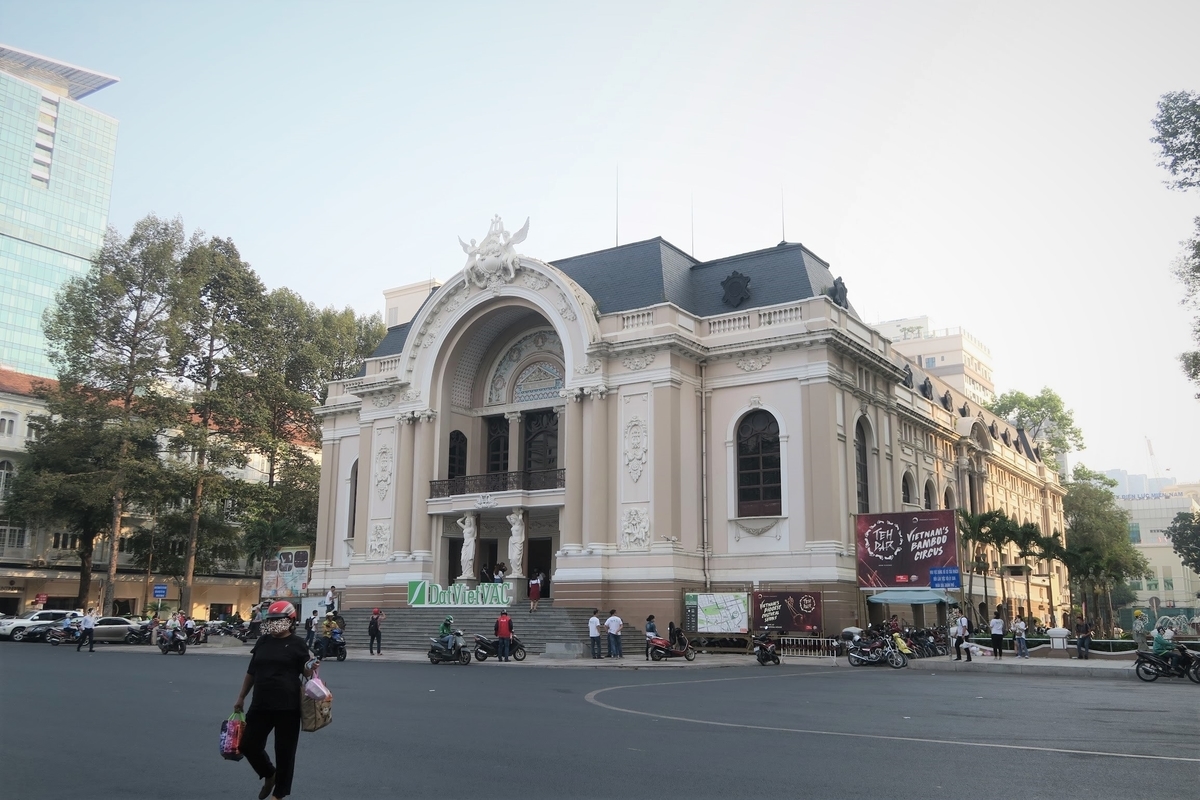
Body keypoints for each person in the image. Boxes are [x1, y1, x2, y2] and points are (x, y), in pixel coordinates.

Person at [234, 600, 316, 800]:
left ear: (290, 621)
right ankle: (269, 773)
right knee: (248, 745)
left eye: (279, 620)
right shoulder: (263, 641)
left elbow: (305, 671)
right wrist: (241, 697)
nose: (274, 625)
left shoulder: (298, 644)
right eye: (271, 621)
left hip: (288, 707)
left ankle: (279, 794)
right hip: (260, 703)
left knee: (285, 752)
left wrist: (312, 666)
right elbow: (252, 671)